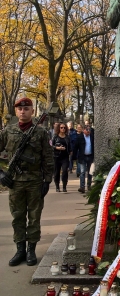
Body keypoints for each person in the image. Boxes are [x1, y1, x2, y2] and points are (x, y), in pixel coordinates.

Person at [0, 97, 54, 266]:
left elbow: (48, 157)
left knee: (34, 216)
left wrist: (47, 180)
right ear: (16, 111)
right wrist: (1, 173)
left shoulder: (41, 133)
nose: (23, 111)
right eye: (20, 109)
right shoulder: (8, 132)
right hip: (15, 182)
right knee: (17, 216)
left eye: (26, 108)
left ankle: (31, 250)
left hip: (35, 181)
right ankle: (20, 250)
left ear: (32, 111)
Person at [73, 125, 94, 193]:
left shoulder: (92, 137)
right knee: (82, 172)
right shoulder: (80, 137)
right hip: (82, 157)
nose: (88, 131)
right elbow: (76, 147)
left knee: (90, 172)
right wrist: (74, 157)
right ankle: (82, 187)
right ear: (83, 130)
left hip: (90, 156)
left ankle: (89, 186)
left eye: (89, 130)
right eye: (87, 130)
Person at [52, 123, 72, 193]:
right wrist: (57, 148)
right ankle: (57, 186)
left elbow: (69, 145)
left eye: (64, 128)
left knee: (64, 171)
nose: (63, 129)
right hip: (56, 157)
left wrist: (70, 151)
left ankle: (64, 186)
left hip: (65, 157)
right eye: (61, 127)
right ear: (58, 128)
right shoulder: (55, 137)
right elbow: (51, 146)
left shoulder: (67, 137)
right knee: (56, 172)